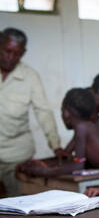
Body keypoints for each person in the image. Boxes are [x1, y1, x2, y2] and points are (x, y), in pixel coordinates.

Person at [0, 28, 65, 197]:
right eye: (7, 51)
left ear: (24, 53)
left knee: (14, 206)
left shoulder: (30, 77)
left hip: (16, 156)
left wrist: (56, 145)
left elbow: (43, 111)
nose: (11, 57)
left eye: (17, 54)